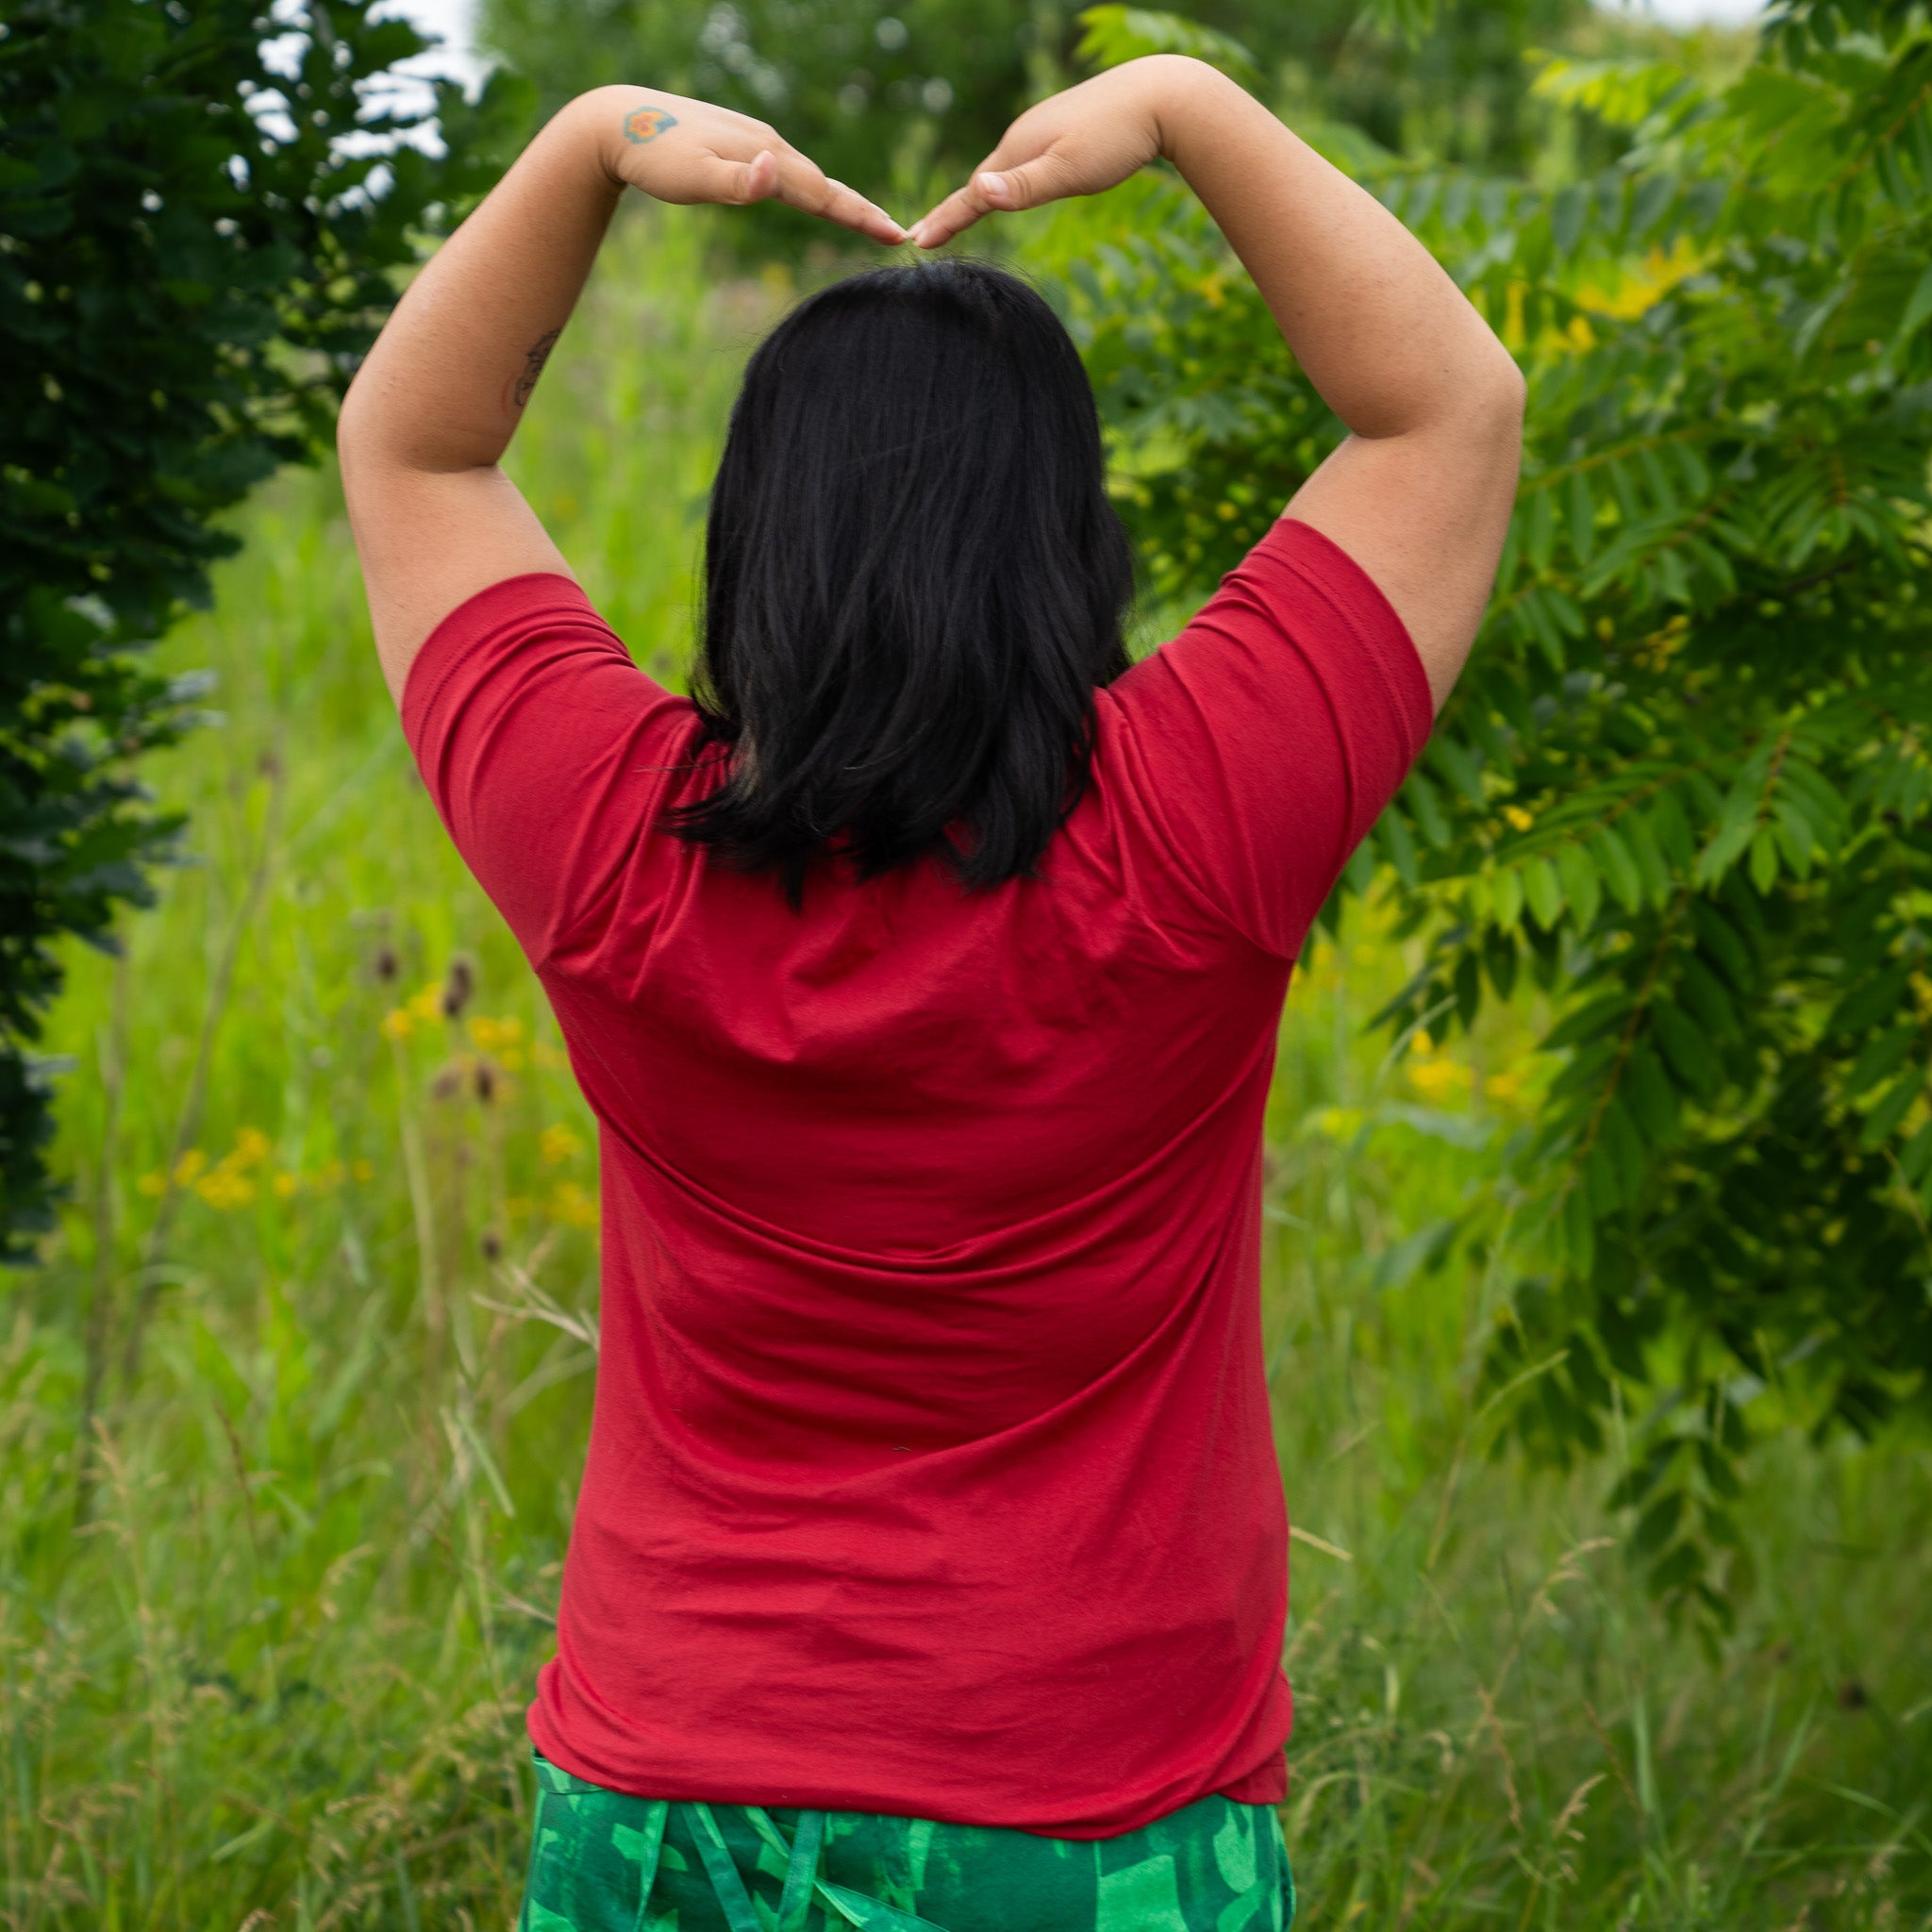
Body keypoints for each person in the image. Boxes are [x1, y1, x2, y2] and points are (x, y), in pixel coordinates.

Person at [339, 51, 1523, 1932]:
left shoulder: (615, 851)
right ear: (1070, 539)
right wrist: (1188, 107)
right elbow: (1448, 406)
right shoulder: (1198, 823)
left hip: (673, 1809)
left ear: (757, 547)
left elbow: (414, 451)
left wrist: (592, 146)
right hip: (1100, 1817)